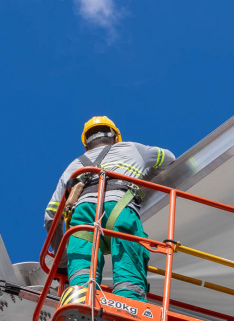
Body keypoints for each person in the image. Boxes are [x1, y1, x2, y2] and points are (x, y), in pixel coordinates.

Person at [45, 116, 175, 300]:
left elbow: (51, 216)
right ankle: (129, 305)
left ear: (86, 146)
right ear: (116, 138)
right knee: (128, 263)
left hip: (83, 213)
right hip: (120, 206)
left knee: (82, 269)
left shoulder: (73, 167)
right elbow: (169, 159)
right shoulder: (132, 148)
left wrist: (63, 261)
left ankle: (81, 300)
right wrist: (139, 182)